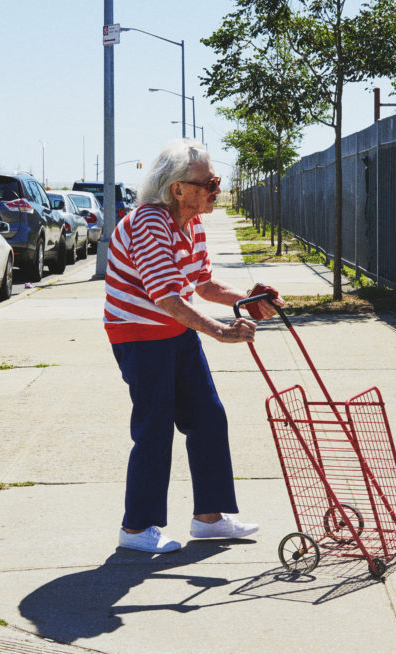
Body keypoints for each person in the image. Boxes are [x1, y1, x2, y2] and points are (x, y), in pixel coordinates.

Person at [104, 138, 282, 554]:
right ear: (177, 187)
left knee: (207, 417)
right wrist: (220, 331)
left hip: (174, 331)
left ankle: (210, 518)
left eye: (215, 181)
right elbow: (166, 297)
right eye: (209, 182)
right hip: (140, 334)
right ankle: (136, 528)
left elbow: (202, 284)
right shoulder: (149, 223)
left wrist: (246, 299)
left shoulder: (192, 223)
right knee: (154, 427)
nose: (216, 190)